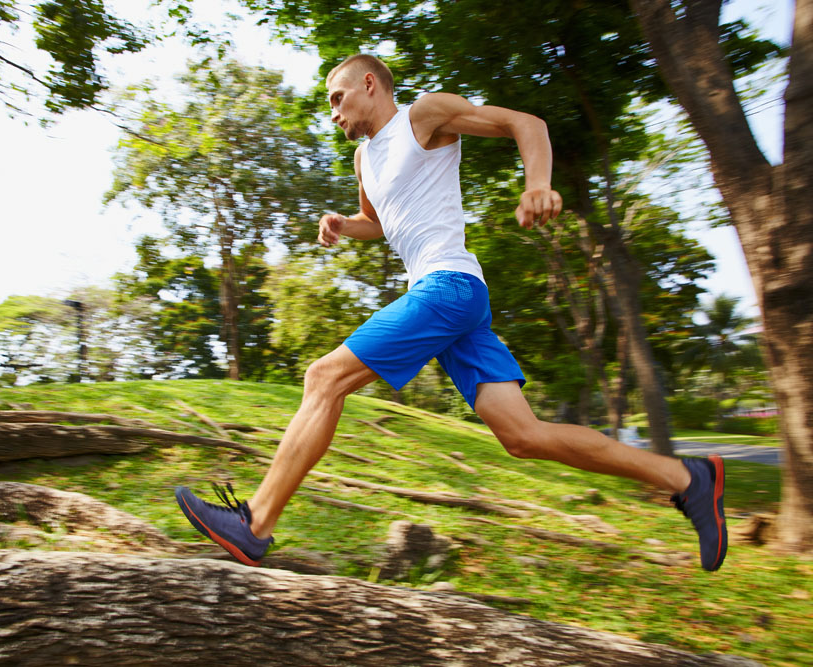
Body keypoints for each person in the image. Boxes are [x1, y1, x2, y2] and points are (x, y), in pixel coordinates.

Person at [175, 54, 727, 572]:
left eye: (338, 97)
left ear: (371, 84)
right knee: (522, 436)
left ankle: (256, 522)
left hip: (448, 287)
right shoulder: (364, 158)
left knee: (324, 377)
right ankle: (687, 478)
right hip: (450, 299)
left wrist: (538, 186)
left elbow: (527, 123)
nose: (334, 111)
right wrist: (345, 224)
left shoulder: (425, 116)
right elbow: (383, 221)